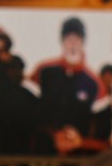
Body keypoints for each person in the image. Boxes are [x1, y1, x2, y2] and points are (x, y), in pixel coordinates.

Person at [28, 13, 99, 154]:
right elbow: (27, 111)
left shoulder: (93, 82)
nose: (72, 44)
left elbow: (98, 127)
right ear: (61, 41)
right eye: (68, 39)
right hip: (43, 150)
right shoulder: (44, 71)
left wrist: (81, 141)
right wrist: (50, 133)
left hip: (77, 155)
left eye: (77, 39)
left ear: (83, 42)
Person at [0, 54, 41, 155]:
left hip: (20, 146)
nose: (16, 73)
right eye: (13, 69)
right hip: (0, 147)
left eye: (19, 69)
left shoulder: (27, 94)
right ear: (7, 71)